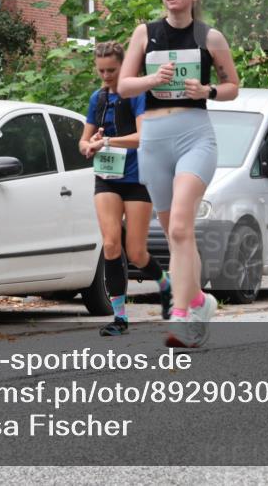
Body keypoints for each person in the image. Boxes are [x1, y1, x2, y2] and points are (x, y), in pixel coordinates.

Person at [118, 0, 240, 348]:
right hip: (154, 138)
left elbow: (233, 85)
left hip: (194, 137)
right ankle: (201, 300)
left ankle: (182, 314)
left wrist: (209, 92)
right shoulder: (145, 33)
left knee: (181, 228)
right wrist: (152, 80)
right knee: (175, 236)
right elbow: (123, 86)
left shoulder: (210, 36)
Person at [79, 42, 171, 336]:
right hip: (107, 177)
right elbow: (84, 140)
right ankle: (119, 318)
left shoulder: (139, 95)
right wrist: (89, 145)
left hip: (137, 178)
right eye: (101, 71)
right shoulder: (98, 98)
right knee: (110, 244)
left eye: (112, 70)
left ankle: (166, 284)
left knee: (136, 252)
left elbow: (144, 137)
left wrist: (106, 142)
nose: (106, 76)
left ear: (125, 68)